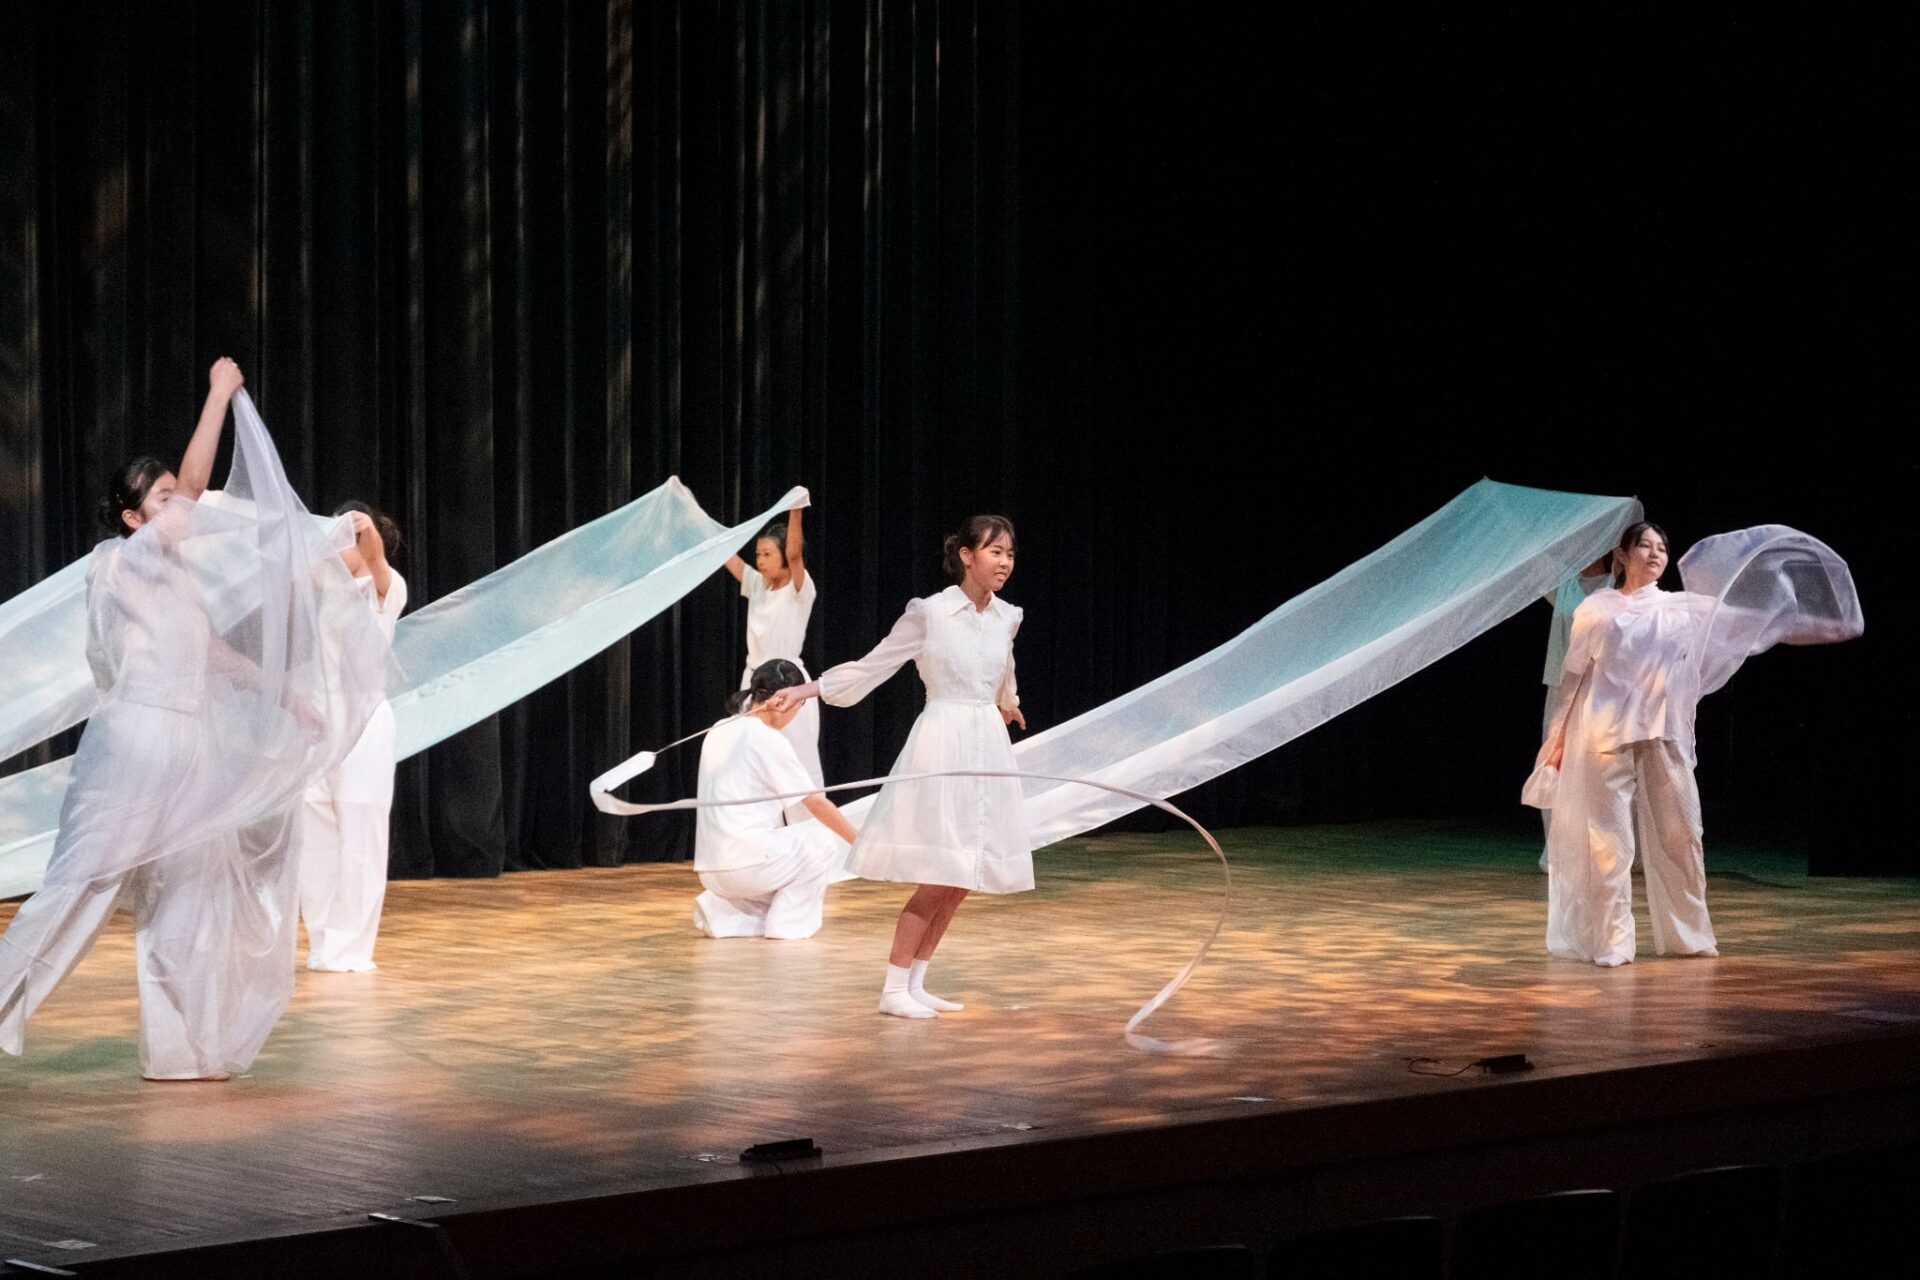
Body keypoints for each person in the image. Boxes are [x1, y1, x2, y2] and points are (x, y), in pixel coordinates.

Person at [0, 359, 386, 1078]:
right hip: (136, 742)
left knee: (187, 896)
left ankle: (180, 1053)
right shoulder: (118, 561)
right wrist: (217, 396)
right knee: (78, 886)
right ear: (133, 517)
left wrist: (289, 698)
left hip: (187, 744)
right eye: (164, 497)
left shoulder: (178, 577)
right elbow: (198, 487)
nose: (183, 504)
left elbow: (214, 655)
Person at [771, 515, 1028, 1017]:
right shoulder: (930, 613)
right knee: (940, 872)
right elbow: (875, 664)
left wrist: (1008, 703)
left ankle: (916, 982)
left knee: (963, 875)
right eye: (995, 552)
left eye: (1010, 554)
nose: (1004, 562)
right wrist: (806, 689)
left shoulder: (1008, 617)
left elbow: (1004, 669)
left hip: (987, 745)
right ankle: (892, 989)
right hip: (944, 744)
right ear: (967, 556)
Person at [297, 502, 407, 972]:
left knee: (361, 837)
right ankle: (324, 943)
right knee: (314, 835)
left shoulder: (387, 587)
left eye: (346, 539)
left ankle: (352, 949)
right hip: (319, 727)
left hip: (365, 726)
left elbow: (377, 563)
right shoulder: (320, 589)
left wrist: (363, 530)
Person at [690, 659, 856, 940]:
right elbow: (815, 803)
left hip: (710, 871)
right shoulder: (767, 739)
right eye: (799, 705)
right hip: (743, 867)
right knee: (822, 841)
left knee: (786, 849)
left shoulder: (719, 728)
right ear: (781, 701)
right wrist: (860, 843)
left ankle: (725, 915)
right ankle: (788, 925)